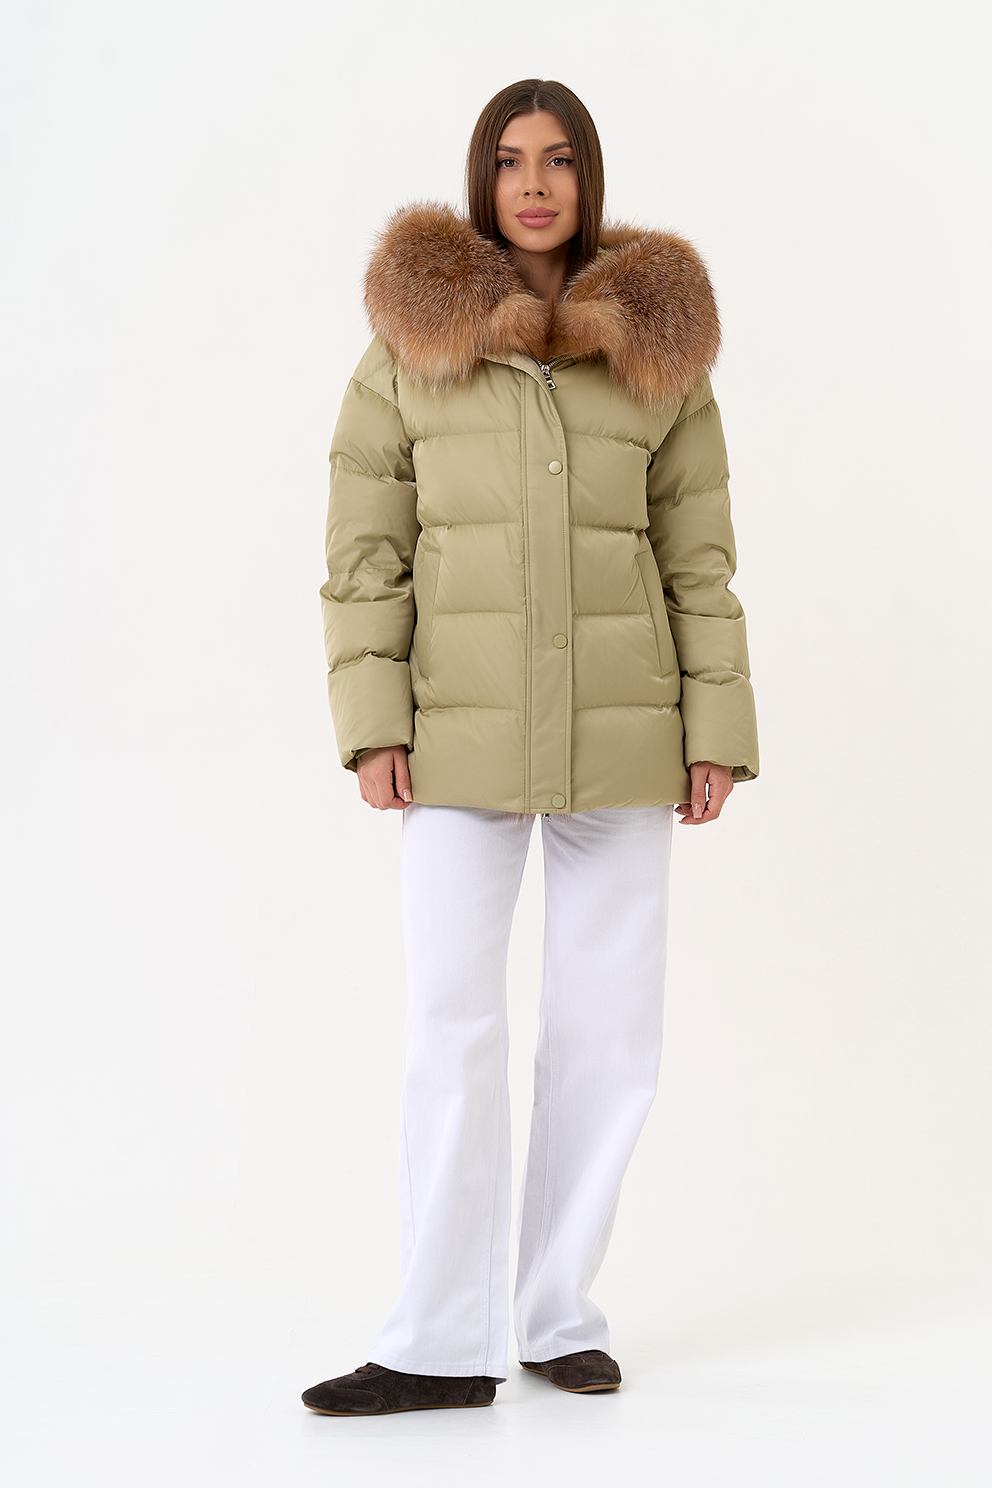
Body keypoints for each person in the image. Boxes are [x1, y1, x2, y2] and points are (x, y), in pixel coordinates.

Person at [303, 78, 759, 1417]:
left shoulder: (659, 349)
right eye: (511, 161)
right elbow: (365, 548)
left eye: (558, 160)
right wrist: (374, 723)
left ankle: (559, 1314)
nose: (536, 184)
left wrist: (715, 729)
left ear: (587, 177)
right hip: (456, 737)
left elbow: (699, 557)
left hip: (625, 737)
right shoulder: (410, 345)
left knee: (608, 1038)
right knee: (451, 1026)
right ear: (482, 179)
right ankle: (437, 1342)